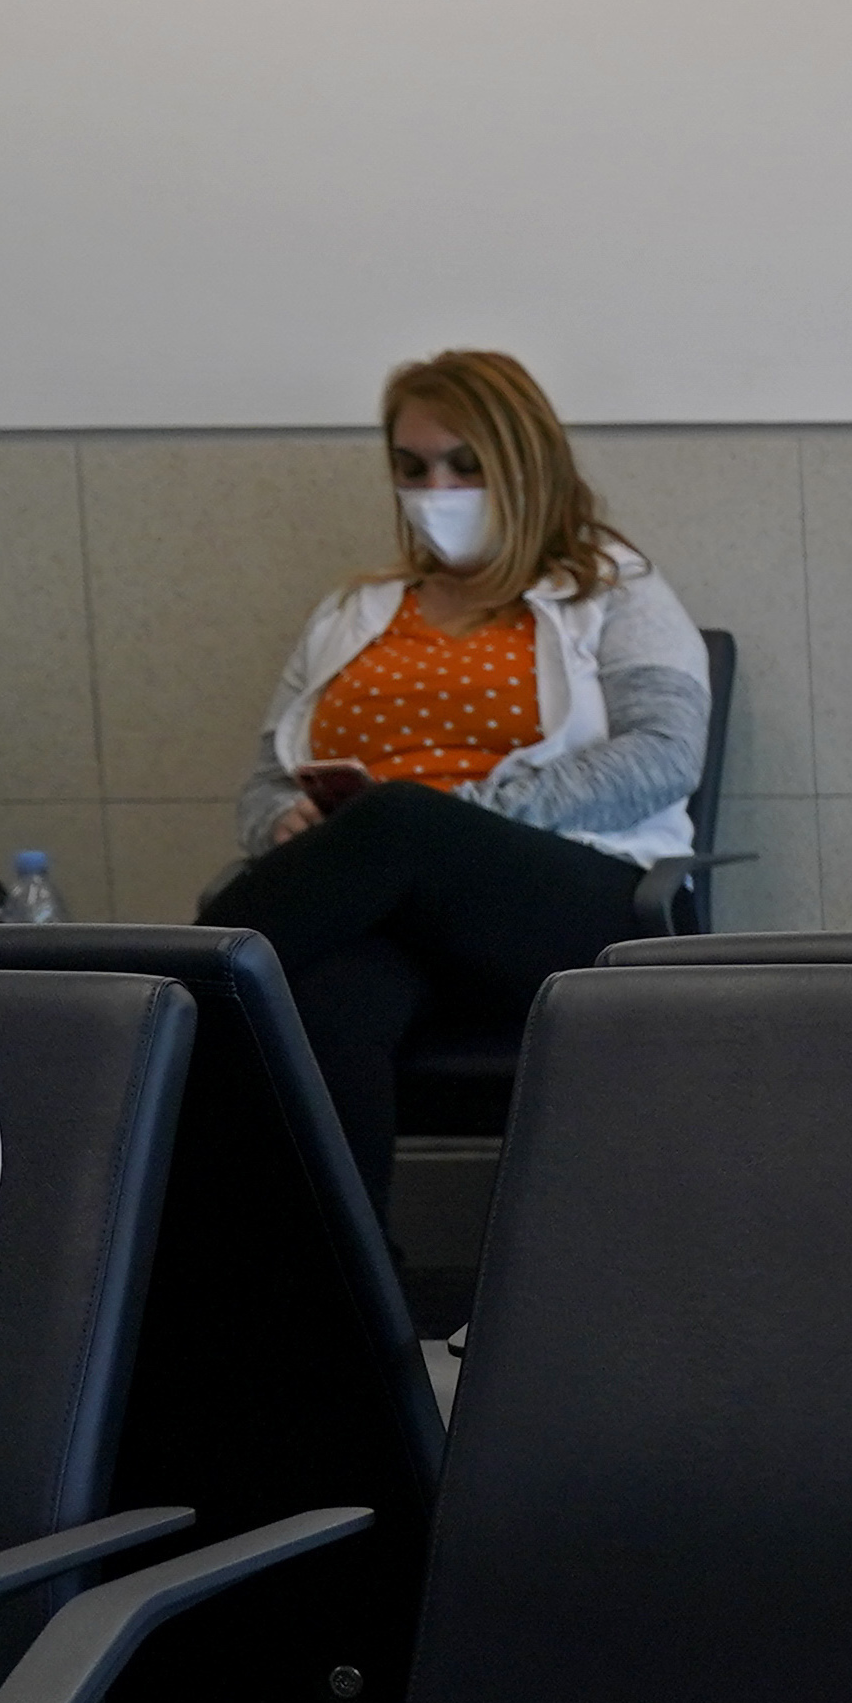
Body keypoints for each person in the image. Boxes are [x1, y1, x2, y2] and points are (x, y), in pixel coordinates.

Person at [206, 350, 712, 1198]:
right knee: (327, 1002)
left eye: (463, 464)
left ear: (525, 462)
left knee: (400, 820)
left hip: (575, 897)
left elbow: (665, 751)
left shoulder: (612, 587)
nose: (434, 488)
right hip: (390, 910)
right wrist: (282, 822)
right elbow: (267, 781)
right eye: (412, 467)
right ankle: (353, 1281)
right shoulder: (353, 613)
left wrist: (461, 817)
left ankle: (165, 997)